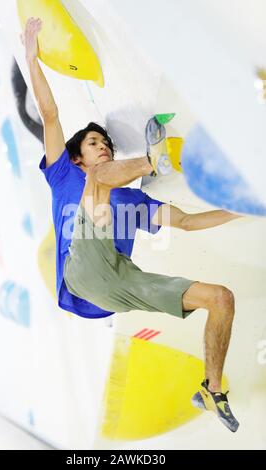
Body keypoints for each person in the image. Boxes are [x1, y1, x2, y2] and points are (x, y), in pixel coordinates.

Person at [23, 17, 242, 432]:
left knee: (221, 299)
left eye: (106, 144)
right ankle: (153, 160)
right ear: (75, 157)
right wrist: (32, 57)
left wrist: (242, 210)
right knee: (100, 187)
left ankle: (212, 390)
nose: (103, 148)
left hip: (117, 286)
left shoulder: (134, 200)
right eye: (94, 144)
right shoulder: (66, 174)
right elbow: (50, 115)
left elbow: (190, 222)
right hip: (80, 274)